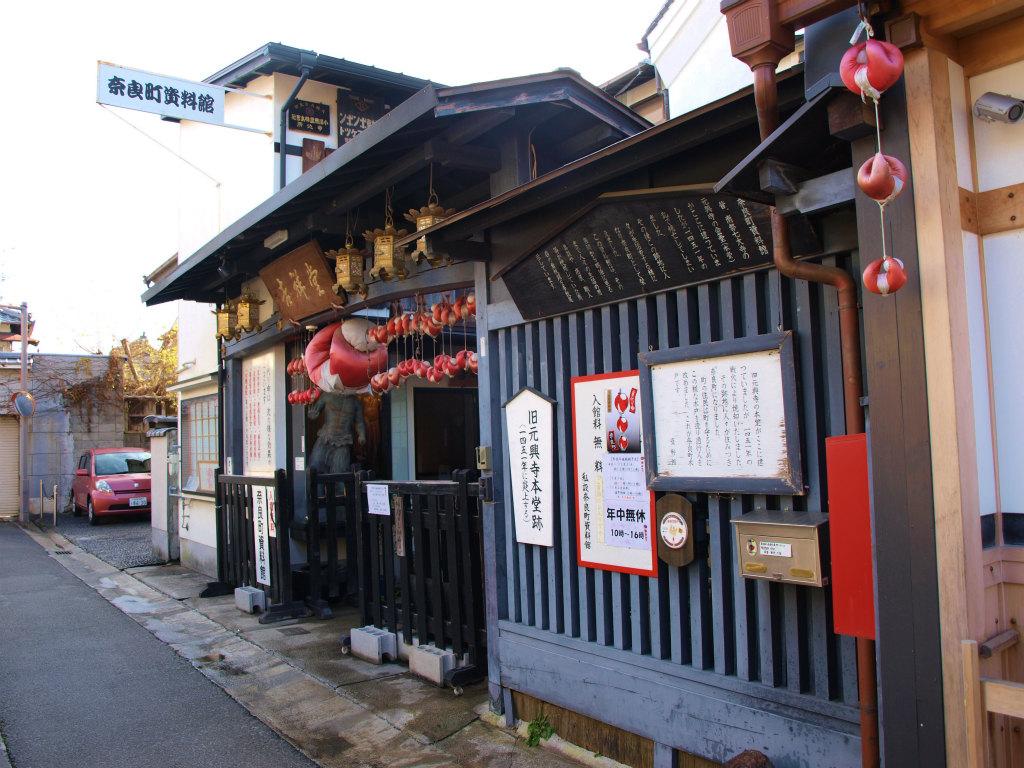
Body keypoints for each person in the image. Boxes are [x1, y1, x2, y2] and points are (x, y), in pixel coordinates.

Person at [307, 392, 366, 475]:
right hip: (325, 438)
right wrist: (312, 415)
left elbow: (360, 421)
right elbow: (315, 410)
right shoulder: (327, 395)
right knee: (316, 466)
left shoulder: (355, 402)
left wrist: (362, 434)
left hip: (343, 441)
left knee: (340, 471)